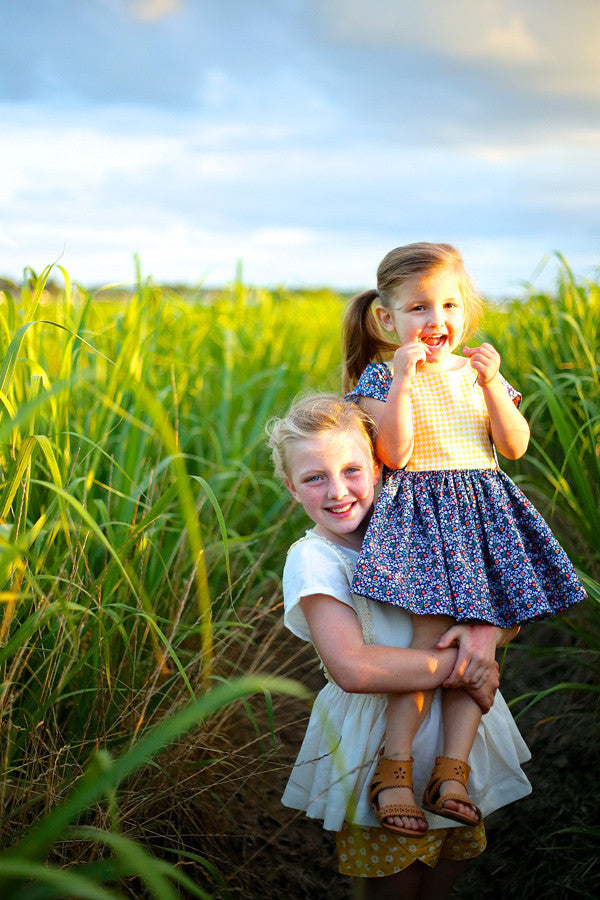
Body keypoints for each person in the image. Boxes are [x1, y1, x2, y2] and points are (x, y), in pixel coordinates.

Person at [342, 242, 586, 838]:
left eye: (449, 305)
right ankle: (392, 770)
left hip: (483, 519)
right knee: (429, 647)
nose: (436, 322)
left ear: (466, 310)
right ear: (388, 319)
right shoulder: (383, 376)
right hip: (423, 520)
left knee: (480, 651)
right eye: (419, 309)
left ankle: (452, 772)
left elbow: (514, 444)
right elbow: (394, 452)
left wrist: (496, 383)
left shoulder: (479, 374)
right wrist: (401, 379)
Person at [266, 394, 531, 899]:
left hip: (455, 730)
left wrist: (489, 636)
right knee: (396, 881)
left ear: (382, 468)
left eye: (352, 470)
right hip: (375, 741)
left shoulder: (421, 531)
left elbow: (496, 605)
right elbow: (353, 667)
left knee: (445, 871)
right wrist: (465, 666)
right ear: (291, 488)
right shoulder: (315, 559)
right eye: (314, 478)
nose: (338, 491)